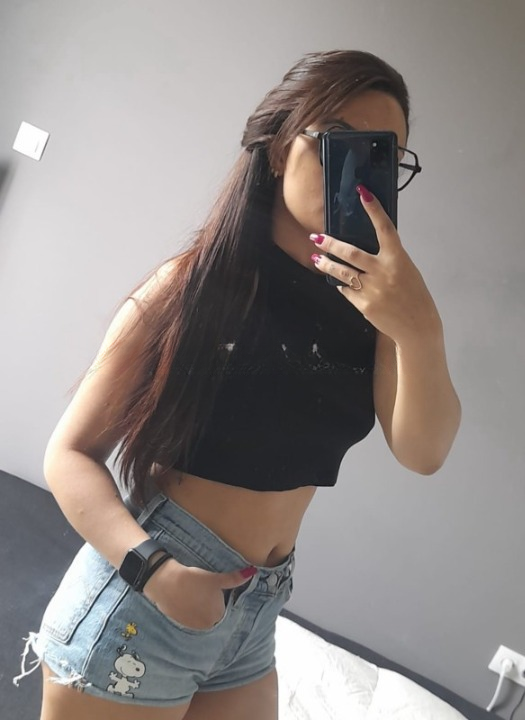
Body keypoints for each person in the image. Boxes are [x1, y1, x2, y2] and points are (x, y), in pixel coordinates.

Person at [13, 49, 461, 720]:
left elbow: (423, 452)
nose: (359, 174)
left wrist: (420, 329)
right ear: (279, 149)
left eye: (381, 155)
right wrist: (154, 573)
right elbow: (69, 454)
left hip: (259, 603)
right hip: (151, 591)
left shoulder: (376, 311)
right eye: (337, 142)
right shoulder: (189, 288)